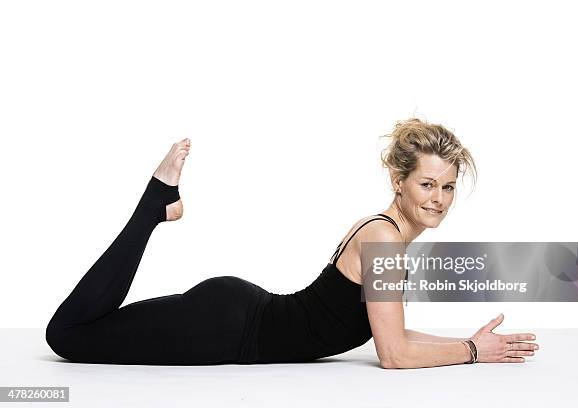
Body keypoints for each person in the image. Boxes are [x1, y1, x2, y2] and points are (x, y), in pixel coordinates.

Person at [45, 118, 539, 368]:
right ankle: (154, 203)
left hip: (234, 317)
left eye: (447, 186)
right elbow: (393, 355)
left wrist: (472, 343)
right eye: (426, 184)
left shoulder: (387, 237)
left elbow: (396, 334)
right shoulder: (385, 240)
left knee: (81, 331)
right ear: (398, 180)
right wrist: (472, 352)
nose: (438, 199)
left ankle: (157, 205)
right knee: (67, 336)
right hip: (227, 330)